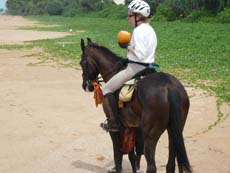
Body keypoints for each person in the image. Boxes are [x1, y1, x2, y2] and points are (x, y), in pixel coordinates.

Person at [100, 0, 157, 132]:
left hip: (136, 68)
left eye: (130, 15)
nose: (128, 18)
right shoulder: (150, 29)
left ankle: (113, 122)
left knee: (106, 90)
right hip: (150, 67)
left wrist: (127, 46)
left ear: (138, 16)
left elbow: (140, 54)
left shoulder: (138, 31)